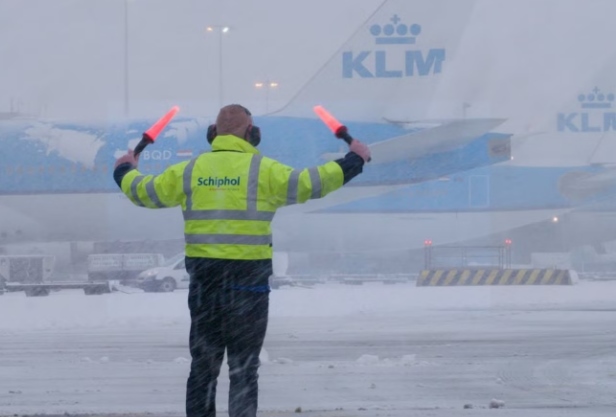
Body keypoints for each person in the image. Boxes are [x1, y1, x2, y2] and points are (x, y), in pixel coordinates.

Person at [113, 104, 371, 417]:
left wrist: (124, 169)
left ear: (213, 133)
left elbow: (142, 191)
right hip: (249, 289)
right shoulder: (264, 170)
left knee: (203, 370)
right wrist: (354, 160)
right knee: (244, 370)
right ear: (252, 133)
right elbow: (312, 182)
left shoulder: (190, 171)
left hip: (206, 289)